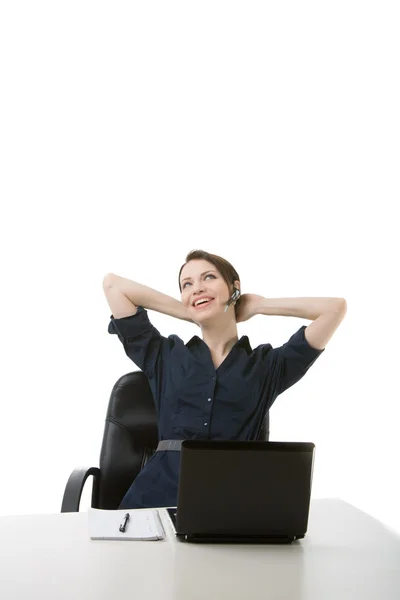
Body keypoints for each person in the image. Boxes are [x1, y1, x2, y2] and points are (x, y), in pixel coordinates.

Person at [103, 249, 347, 509]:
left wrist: (259, 305)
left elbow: (334, 309)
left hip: (231, 508)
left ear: (234, 288)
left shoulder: (268, 366)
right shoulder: (164, 355)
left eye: (208, 278)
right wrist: (190, 311)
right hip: (155, 503)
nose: (196, 288)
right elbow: (113, 285)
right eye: (187, 284)